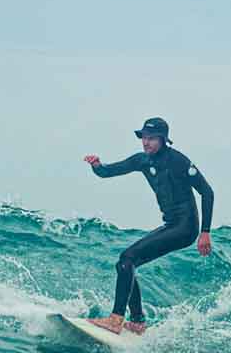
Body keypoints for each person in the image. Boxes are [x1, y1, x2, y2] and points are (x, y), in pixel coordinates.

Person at [82, 117, 214, 334]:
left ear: (163, 140)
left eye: (151, 138)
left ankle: (116, 320)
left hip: (186, 227)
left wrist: (205, 232)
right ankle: (137, 322)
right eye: (144, 137)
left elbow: (207, 192)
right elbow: (108, 171)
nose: (146, 142)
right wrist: (96, 166)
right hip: (171, 224)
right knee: (125, 264)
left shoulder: (179, 161)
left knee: (127, 259)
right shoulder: (142, 161)